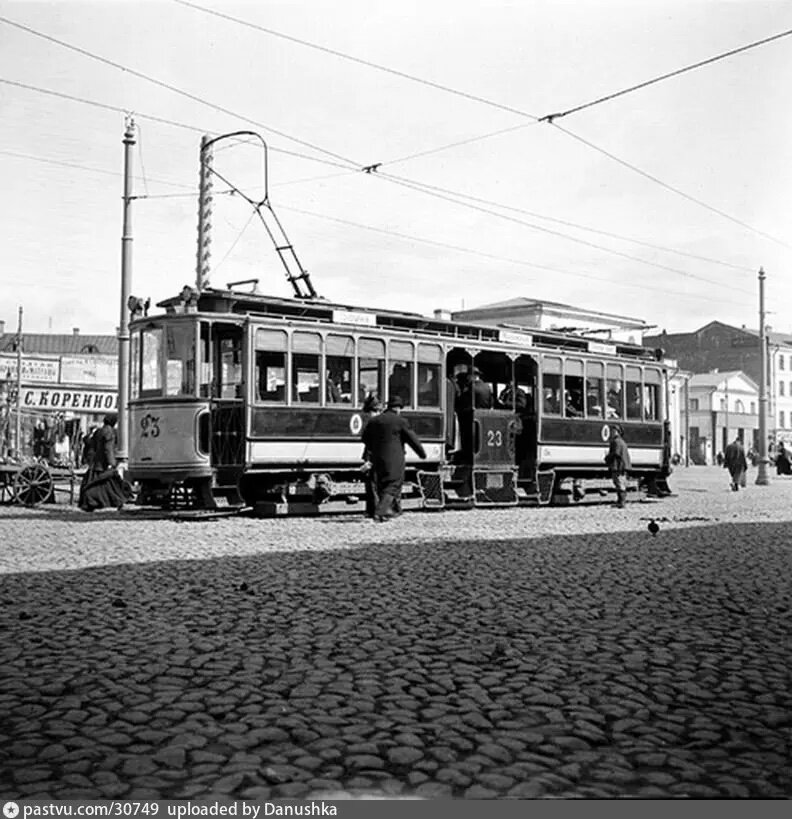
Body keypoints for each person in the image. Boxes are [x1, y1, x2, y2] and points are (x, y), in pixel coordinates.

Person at [360, 395, 426, 521]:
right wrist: (422, 454)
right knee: (393, 484)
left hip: (377, 458)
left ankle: (389, 511)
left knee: (382, 484)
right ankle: (380, 511)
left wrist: (374, 451)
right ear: (398, 409)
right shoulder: (401, 421)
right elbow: (412, 439)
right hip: (394, 459)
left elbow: (365, 438)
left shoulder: (375, 421)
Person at [79, 414, 129, 511]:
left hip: (96, 462)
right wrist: (112, 462)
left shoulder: (99, 431)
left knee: (102, 484)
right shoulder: (109, 432)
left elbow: (91, 445)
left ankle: (94, 502)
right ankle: (115, 501)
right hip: (103, 463)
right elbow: (108, 449)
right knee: (109, 484)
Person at [604, 425, 631, 508]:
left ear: (618, 432)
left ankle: (621, 502)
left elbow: (616, 453)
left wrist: (607, 457)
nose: (612, 433)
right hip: (621, 465)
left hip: (618, 466)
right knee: (619, 483)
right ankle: (620, 501)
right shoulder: (621, 441)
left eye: (614, 431)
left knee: (619, 483)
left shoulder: (617, 442)